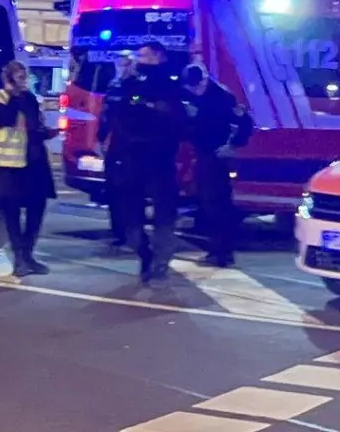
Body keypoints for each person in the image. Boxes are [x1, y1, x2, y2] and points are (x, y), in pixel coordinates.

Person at [102, 41, 187, 284]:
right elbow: (115, 114)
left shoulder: (170, 85)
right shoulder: (128, 83)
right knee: (131, 216)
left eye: (146, 55)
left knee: (164, 212)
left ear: (159, 56)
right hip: (132, 157)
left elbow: (177, 120)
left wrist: (153, 109)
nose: (140, 59)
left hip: (160, 157)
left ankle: (160, 259)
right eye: (139, 55)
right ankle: (145, 253)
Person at [0, 60, 57, 277]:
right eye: (19, 76)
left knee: (37, 209)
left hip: (35, 161)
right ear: (8, 78)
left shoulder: (29, 98)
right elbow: (5, 120)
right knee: (12, 213)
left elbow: (34, 126)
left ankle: (28, 254)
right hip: (11, 166)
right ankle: (18, 258)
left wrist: (49, 133)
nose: (23, 80)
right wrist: (12, 94)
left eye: (24, 76)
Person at [182, 63, 253, 267]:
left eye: (196, 87)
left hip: (217, 156)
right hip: (202, 154)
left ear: (204, 80)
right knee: (206, 204)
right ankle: (216, 249)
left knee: (218, 204)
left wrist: (232, 145)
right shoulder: (194, 94)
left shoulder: (222, 97)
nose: (194, 91)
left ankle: (223, 252)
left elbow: (245, 123)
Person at [98, 53, 138, 250]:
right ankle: (119, 232)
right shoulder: (113, 86)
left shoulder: (136, 86)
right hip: (114, 146)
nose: (122, 67)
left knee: (129, 191)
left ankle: (131, 233)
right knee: (113, 190)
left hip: (130, 146)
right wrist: (100, 138)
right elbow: (105, 116)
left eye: (125, 64)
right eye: (119, 63)